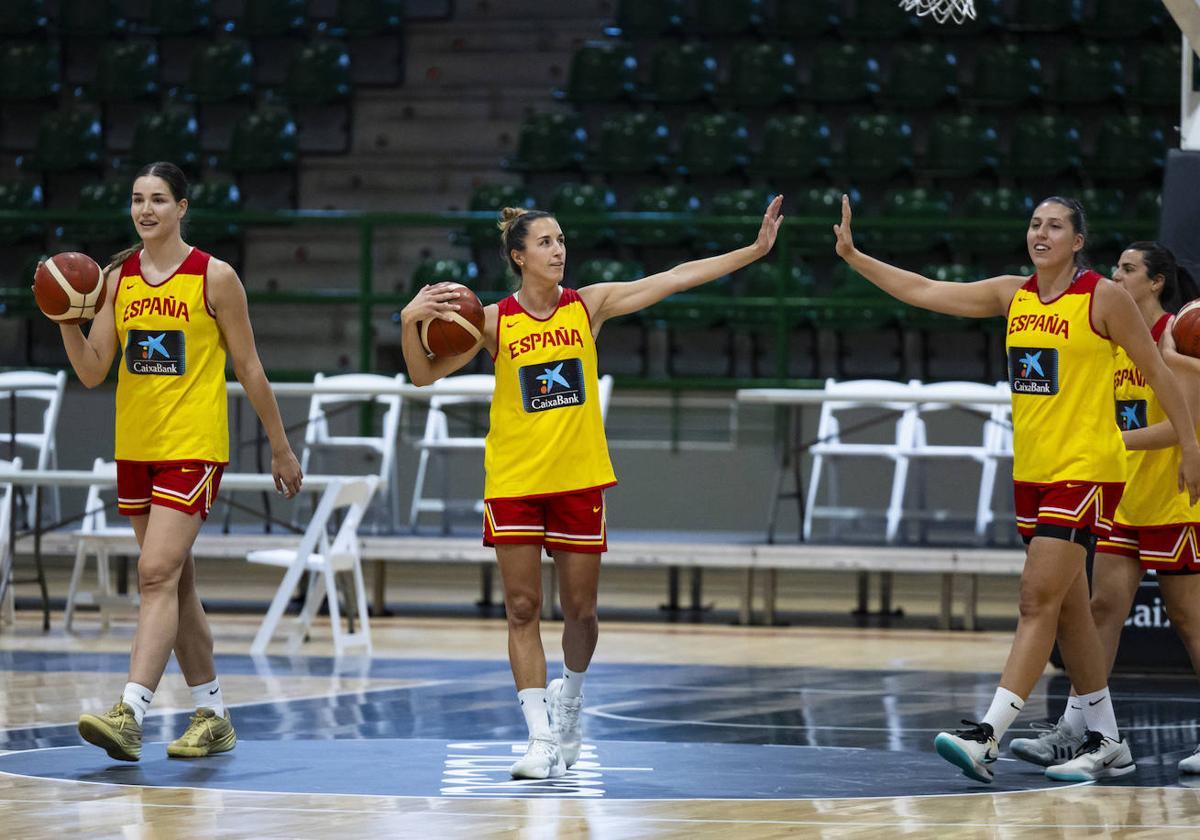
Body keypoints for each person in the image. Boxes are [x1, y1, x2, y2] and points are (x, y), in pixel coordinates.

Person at [401, 196, 784, 779]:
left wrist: (753, 251)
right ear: (518, 257)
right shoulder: (492, 321)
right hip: (515, 478)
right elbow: (423, 373)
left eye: (560, 241)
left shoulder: (589, 306)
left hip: (578, 479)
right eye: (546, 243)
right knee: (522, 607)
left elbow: (674, 278)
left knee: (581, 612)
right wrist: (411, 321)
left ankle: (570, 698)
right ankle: (537, 738)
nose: (559, 251)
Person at [833, 195, 1200, 783]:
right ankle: (1107, 739)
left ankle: (989, 733)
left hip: (1087, 469)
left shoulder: (1102, 297)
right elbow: (926, 290)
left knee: (1036, 599)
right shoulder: (1014, 294)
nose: (1041, 233)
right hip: (1032, 472)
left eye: (1055, 225)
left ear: (1078, 241)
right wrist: (855, 257)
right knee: (1072, 610)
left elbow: (1158, 373)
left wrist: (1191, 447)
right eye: (1035, 224)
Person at [46, 161, 303, 762]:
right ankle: (213, 713)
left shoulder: (215, 277)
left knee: (155, 574)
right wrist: (65, 318)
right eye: (137, 199)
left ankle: (130, 711)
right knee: (177, 585)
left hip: (193, 446)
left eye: (158, 199)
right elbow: (91, 370)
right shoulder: (116, 278)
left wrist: (280, 444)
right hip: (135, 448)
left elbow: (250, 367)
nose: (145, 210)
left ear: (182, 207)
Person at [1009, 242, 1200, 776]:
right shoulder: (1108, 331)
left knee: (1190, 620)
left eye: (1127, 268)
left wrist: (1110, 441)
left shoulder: (1178, 338)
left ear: (1156, 282)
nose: (1114, 274)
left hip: (1172, 498)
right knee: (1100, 611)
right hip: (1120, 496)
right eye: (1114, 266)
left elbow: (1179, 424)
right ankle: (1082, 728)